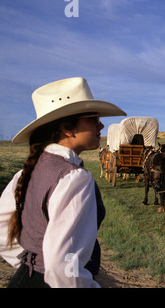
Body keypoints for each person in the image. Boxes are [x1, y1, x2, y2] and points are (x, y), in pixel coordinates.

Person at [0, 77, 126, 287]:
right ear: (67, 128)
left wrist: (32, 266)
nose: (101, 124)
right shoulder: (74, 178)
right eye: (93, 118)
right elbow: (63, 269)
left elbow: (3, 232)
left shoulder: (27, 171)